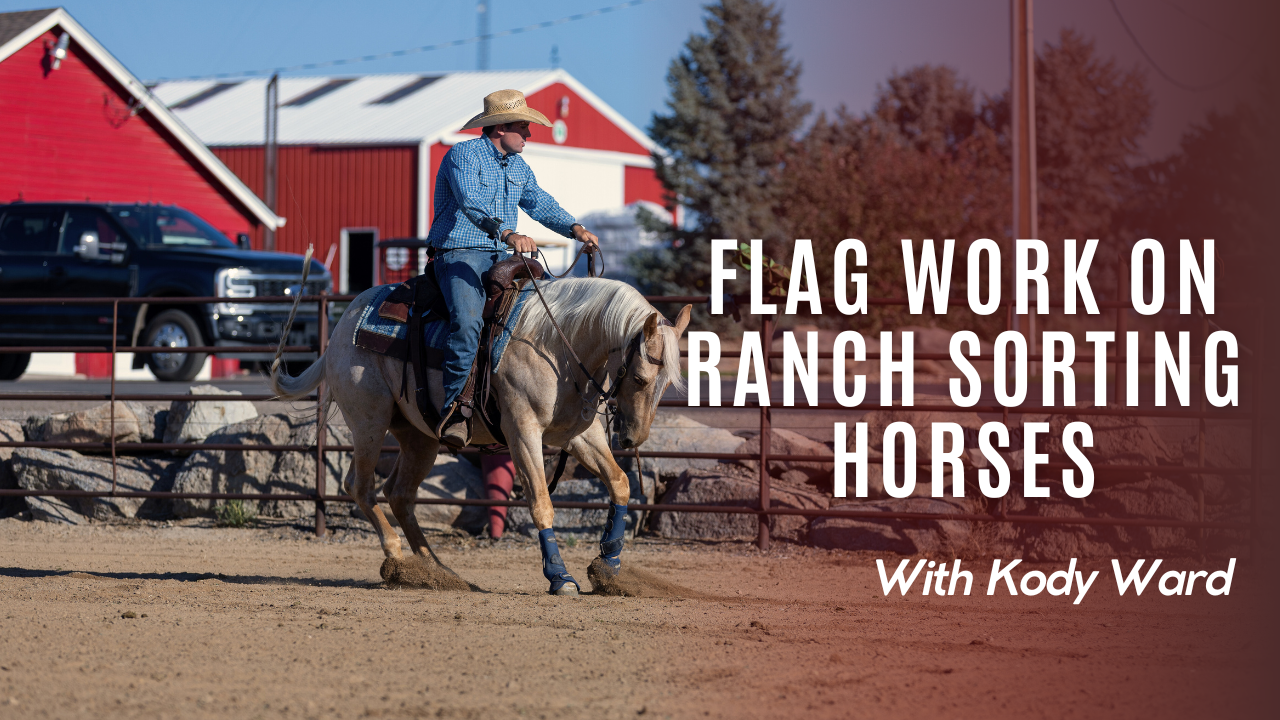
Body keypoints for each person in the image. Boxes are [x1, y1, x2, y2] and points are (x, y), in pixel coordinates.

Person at [427, 89, 599, 448]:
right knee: (469, 320)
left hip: (501, 255)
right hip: (460, 252)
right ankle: (457, 408)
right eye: (524, 127)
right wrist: (507, 232)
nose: (530, 135)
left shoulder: (518, 167)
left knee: (548, 312)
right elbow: (470, 202)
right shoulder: (463, 155)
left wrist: (575, 229)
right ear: (500, 127)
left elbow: (540, 202)